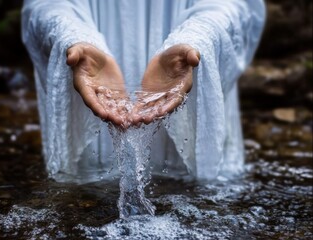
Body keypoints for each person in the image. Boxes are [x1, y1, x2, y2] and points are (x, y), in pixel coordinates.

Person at [22, 0, 266, 182]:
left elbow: (237, 6)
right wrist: (73, 37)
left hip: (181, 66)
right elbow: (45, 5)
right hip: (97, 77)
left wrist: (196, 37)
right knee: (91, 195)